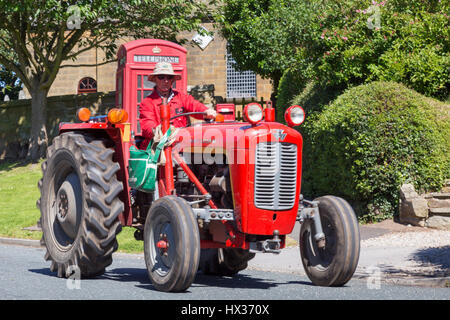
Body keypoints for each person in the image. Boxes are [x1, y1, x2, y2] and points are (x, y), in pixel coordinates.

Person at [139, 62, 216, 149]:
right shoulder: (147, 102)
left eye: (169, 77)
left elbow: (194, 105)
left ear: (172, 80)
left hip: (181, 145)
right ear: (155, 79)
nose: (166, 81)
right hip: (157, 148)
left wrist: (206, 111)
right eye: (161, 77)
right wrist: (161, 131)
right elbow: (147, 126)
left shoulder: (181, 97)